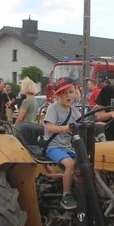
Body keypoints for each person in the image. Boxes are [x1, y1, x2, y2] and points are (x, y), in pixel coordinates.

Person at [43, 77, 80, 210]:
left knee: (87, 163)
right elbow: (49, 128)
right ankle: (66, 196)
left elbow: (80, 126)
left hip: (68, 147)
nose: (68, 96)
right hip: (54, 147)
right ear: (57, 95)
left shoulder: (75, 111)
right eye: (64, 93)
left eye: (70, 92)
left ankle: (92, 193)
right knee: (69, 163)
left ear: (75, 93)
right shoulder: (53, 108)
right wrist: (64, 128)